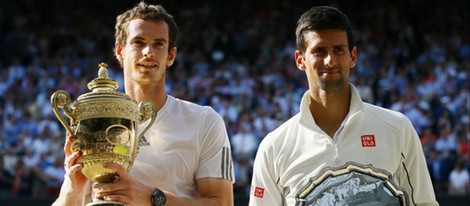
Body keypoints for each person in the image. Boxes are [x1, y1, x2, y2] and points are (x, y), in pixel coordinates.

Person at [249, 6, 438, 205]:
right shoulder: (274, 147)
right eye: (319, 51)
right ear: (300, 60)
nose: (330, 61)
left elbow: (424, 202)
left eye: (338, 50)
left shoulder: (397, 129)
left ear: (353, 56)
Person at [53, 2, 234, 206]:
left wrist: (153, 198)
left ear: (171, 55)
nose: (148, 51)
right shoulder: (92, 122)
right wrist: (72, 187)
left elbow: (223, 203)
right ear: (120, 51)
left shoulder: (204, 121)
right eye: (138, 42)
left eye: (159, 44)